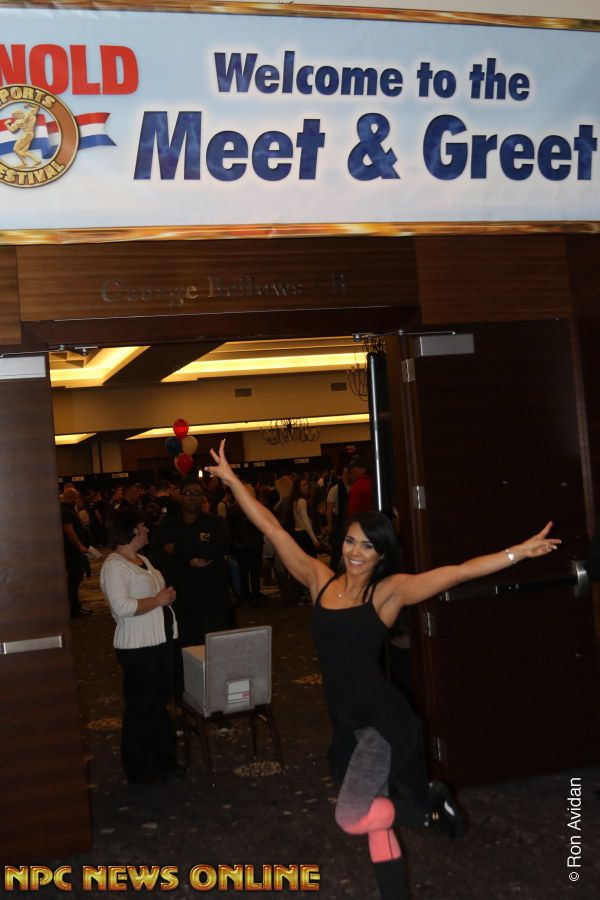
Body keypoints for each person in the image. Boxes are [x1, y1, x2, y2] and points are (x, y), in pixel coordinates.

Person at [206, 439, 560, 900]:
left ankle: (428, 811)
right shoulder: (319, 580)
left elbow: (457, 572)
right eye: (351, 540)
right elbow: (271, 527)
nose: (356, 552)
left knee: (352, 815)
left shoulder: (388, 593)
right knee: (374, 820)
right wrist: (233, 481)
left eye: (368, 546)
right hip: (345, 720)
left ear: (381, 554)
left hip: (380, 720)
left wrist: (518, 552)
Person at [99, 508, 180, 785]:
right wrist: (159, 600)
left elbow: (154, 595)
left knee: (158, 702)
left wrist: (165, 597)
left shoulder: (142, 558)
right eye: (144, 526)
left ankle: (163, 760)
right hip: (138, 646)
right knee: (141, 706)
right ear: (132, 529)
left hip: (160, 639)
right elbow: (121, 607)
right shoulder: (114, 565)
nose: (147, 530)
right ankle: (139, 767)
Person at [147, 478, 233, 703]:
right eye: (187, 493)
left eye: (196, 494)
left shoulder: (216, 524)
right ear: (179, 496)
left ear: (203, 496)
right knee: (181, 653)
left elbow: (217, 548)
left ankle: (216, 700)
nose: (192, 498)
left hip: (212, 600)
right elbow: (157, 559)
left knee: (213, 651)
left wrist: (177, 548)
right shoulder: (166, 527)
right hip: (179, 602)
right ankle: (183, 701)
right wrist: (188, 560)